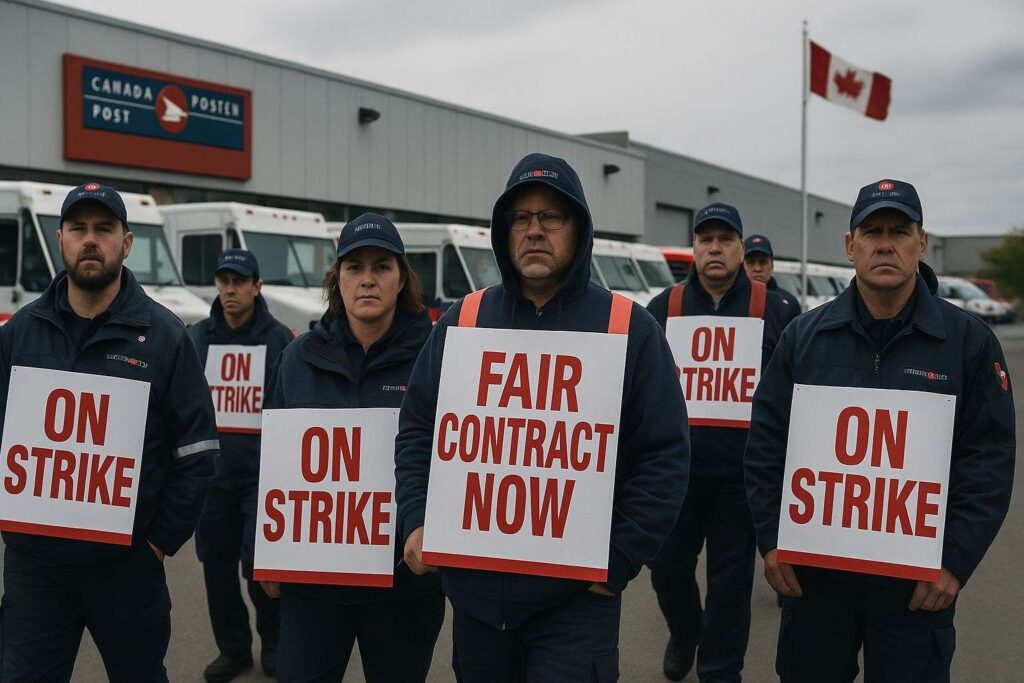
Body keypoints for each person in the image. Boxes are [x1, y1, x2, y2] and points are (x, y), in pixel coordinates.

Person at [395, 153, 690, 681]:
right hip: (477, 601)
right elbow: (418, 426)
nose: (535, 230)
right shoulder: (464, 320)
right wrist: (416, 517)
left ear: (579, 229)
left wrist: (620, 556)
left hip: (576, 605)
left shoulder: (630, 328)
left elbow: (664, 455)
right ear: (503, 231)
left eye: (552, 217)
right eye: (521, 218)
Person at [744, 179, 1016, 682]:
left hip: (916, 589)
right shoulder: (804, 337)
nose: (885, 243)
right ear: (851, 246)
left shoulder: (967, 342)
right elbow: (766, 445)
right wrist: (771, 540)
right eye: (872, 232)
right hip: (816, 579)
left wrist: (955, 561)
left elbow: (989, 459)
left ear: (921, 243)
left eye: (899, 230)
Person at [0, 183, 218, 682]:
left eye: (104, 229)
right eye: (79, 229)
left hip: (127, 569)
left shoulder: (164, 337)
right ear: (60, 240)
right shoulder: (19, 333)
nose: (90, 241)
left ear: (127, 242)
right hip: (36, 568)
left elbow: (199, 451)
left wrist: (158, 543)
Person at [262, 213, 443, 682]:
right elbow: (273, 462)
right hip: (313, 588)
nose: (367, 280)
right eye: (354, 267)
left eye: (381, 267)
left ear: (401, 278)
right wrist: (260, 552)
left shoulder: (437, 356)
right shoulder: (297, 358)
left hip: (403, 590)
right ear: (336, 279)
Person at [646, 203, 791, 682]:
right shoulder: (662, 307)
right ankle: (686, 632)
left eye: (725, 240)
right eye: (705, 238)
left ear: (739, 247)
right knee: (666, 572)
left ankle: (719, 670)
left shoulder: (776, 309)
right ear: (693, 247)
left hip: (740, 481)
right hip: (675, 478)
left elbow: (794, 392)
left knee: (730, 588)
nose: (714, 248)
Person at [189, 249, 293, 682]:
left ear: (256, 286)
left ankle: (272, 641)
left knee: (258, 568)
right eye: (223, 281)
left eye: (239, 281)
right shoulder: (198, 337)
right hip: (212, 479)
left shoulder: (278, 339)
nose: (230, 290)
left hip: (260, 478)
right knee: (216, 566)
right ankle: (233, 650)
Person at [743, 234, 801, 322]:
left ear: (772, 265)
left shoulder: (789, 303)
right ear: (742, 266)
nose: (757, 268)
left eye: (763, 262)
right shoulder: (731, 299)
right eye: (751, 262)